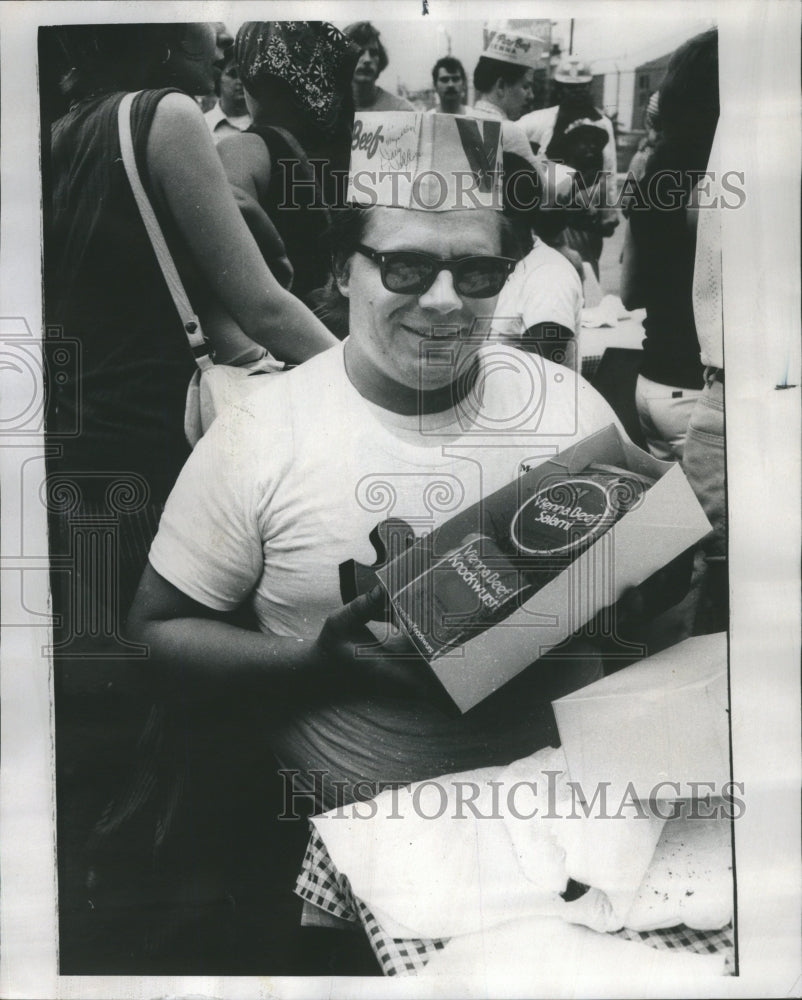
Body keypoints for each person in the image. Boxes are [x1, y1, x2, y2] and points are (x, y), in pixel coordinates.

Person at [126, 112, 631, 817]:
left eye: (479, 272)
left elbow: (629, 607)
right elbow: (157, 634)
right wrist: (313, 664)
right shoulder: (262, 433)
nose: (445, 300)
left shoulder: (566, 404)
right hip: (355, 852)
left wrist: (635, 583)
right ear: (343, 268)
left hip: (566, 824)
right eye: (407, 266)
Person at [45, 23, 337, 613]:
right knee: (180, 640)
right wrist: (359, 375)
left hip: (84, 427)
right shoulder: (167, 116)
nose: (218, 40)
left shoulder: (64, 128)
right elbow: (265, 308)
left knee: (111, 638)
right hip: (163, 432)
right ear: (168, 42)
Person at [621, 29, 718, 462]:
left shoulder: (648, 179)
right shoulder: (712, 193)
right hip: (695, 391)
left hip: (651, 383)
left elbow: (628, 294)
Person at [217, 21, 357, 303]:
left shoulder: (246, 150)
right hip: (353, 327)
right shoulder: (358, 144)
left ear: (255, 80)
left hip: (287, 330)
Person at [518, 55, 618, 197]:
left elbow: (609, 170)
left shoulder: (603, 123)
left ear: (590, 87)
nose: (578, 92)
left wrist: (610, 214)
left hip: (589, 208)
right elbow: (508, 139)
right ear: (559, 89)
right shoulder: (538, 120)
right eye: (571, 87)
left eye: (582, 86)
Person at [545, 116, 619, 279]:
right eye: (584, 142)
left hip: (588, 259)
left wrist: (589, 222)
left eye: (595, 143)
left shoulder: (599, 184)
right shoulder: (554, 176)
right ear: (570, 145)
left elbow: (609, 227)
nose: (591, 147)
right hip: (556, 258)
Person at [343, 21, 415, 112]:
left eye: (373, 53)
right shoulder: (329, 111)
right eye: (359, 52)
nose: (367, 60)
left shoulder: (401, 110)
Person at [203, 50, 251, 143]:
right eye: (233, 74)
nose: (240, 81)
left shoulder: (263, 125)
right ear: (218, 79)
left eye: (245, 75)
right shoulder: (203, 124)